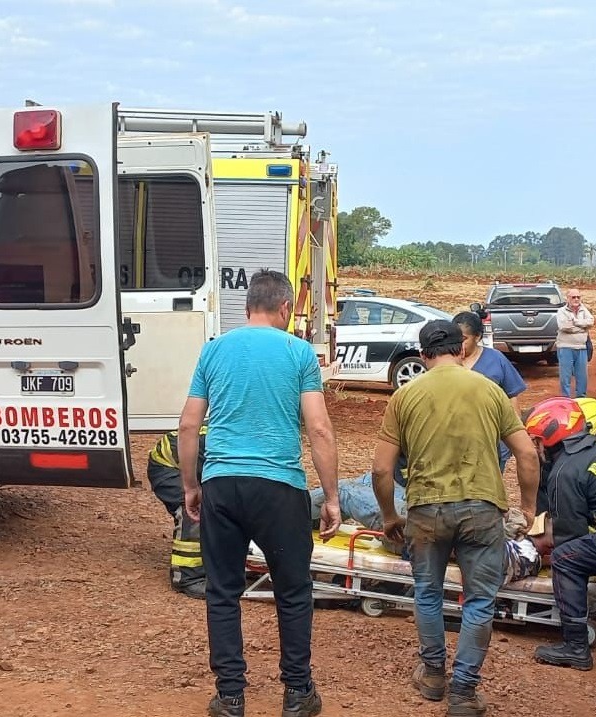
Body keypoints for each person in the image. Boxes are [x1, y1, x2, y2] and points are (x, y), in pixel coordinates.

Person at [178, 269, 340, 717]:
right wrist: (330, 497)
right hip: (279, 488)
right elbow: (320, 429)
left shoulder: (213, 351)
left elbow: (189, 424)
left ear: (248, 306)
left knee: (223, 591)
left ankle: (230, 696)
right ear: (285, 308)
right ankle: (297, 693)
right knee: (293, 592)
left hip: (223, 485)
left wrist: (192, 485)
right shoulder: (298, 352)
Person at [371, 320, 539, 717]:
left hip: (427, 510)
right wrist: (528, 508)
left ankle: (432, 675)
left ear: (424, 353)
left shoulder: (405, 396)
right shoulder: (490, 391)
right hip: (482, 509)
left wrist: (390, 515)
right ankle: (463, 693)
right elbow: (528, 455)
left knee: (427, 592)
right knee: (479, 601)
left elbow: (381, 471)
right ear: (462, 350)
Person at [523, 396, 596, 670]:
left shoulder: (564, 471)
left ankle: (576, 646)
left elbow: (571, 536)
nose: (537, 447)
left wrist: (540, 550)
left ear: (551, 437)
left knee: (567, 557)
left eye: (537, 440)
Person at [309, 475, 553, 586]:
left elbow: (466, 546)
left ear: (548, 549)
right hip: (435, 513)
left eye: (541, 529)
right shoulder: (524, 544)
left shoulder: (521, 557)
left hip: (415, 532)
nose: (534, 526)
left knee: (342, 493)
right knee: (369, 480)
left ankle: (288, 512)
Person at [453, 311, 527, 471]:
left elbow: (511, 396)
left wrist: (516, 433)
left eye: (464, 339)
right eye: (456, 339)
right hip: (456, 439)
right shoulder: (447, 362)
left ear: (478, 337)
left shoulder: (496, 359)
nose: (459, 344)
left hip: (493, 439)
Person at [146, 426, 208, 599]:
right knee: (195, 511)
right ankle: (188, 577)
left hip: (194, 466)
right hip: (168, 467)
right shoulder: (232, 443)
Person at [555, 289, 594, 399]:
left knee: (582, 376)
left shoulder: (583, 309)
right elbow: (564, 327)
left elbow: (591, 322)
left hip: (581, 347)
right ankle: (565, 398)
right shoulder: (561, 311)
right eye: (573, 297)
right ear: (567, 298)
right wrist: (582, 328)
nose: (576, 299)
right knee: (565, 376)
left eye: (578, 297)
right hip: (565, 347)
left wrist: (576, 322)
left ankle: (581, 398)